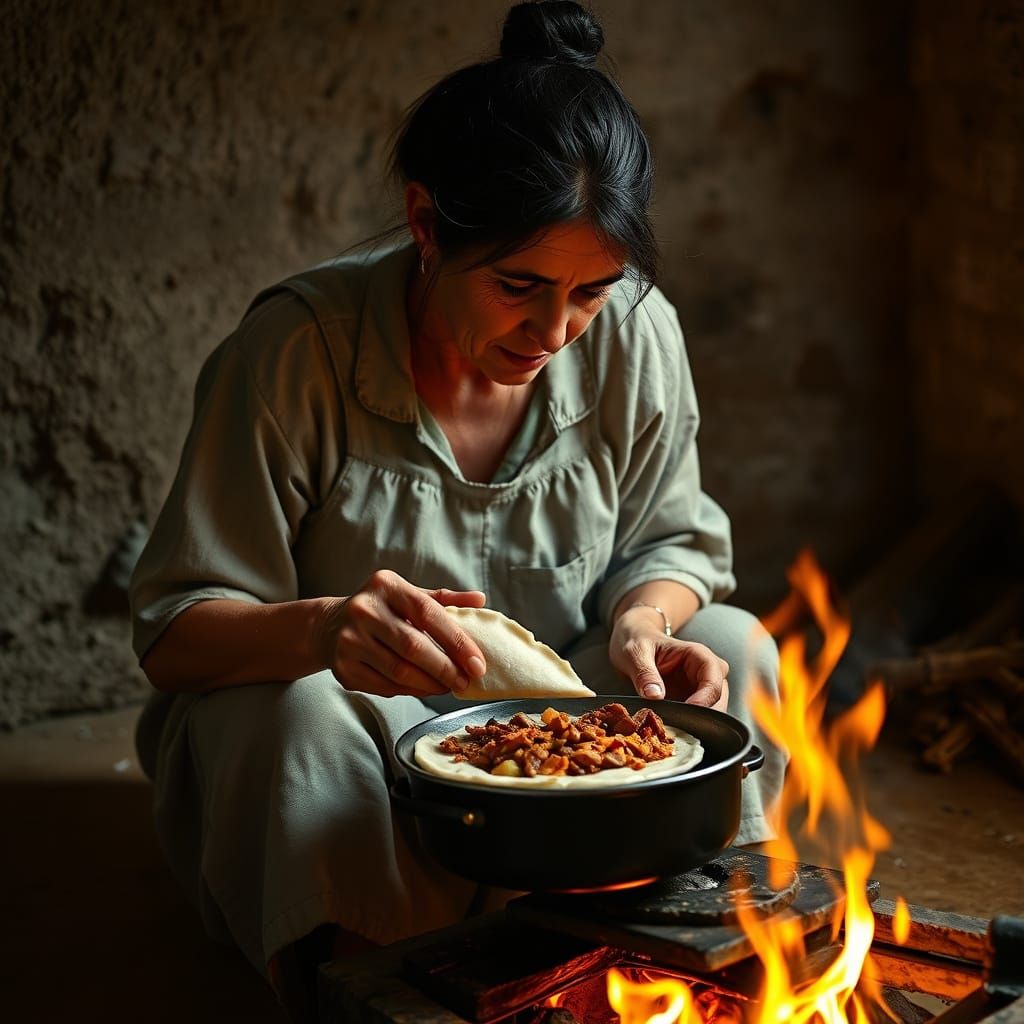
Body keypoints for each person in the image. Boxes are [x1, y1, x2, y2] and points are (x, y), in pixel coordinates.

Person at [129, 1, 787, 1018]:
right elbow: (176, 635)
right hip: (358, 740)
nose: (555, 330)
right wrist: (326, 630)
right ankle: (368, 987)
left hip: (559, 728)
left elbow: (672, 538)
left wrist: (643, 623)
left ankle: (684, 960)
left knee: (733, 647)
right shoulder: (296, 353)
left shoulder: (636, 330)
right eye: (518, 285)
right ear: (427, 225)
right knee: (301, 716)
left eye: (590, 291)